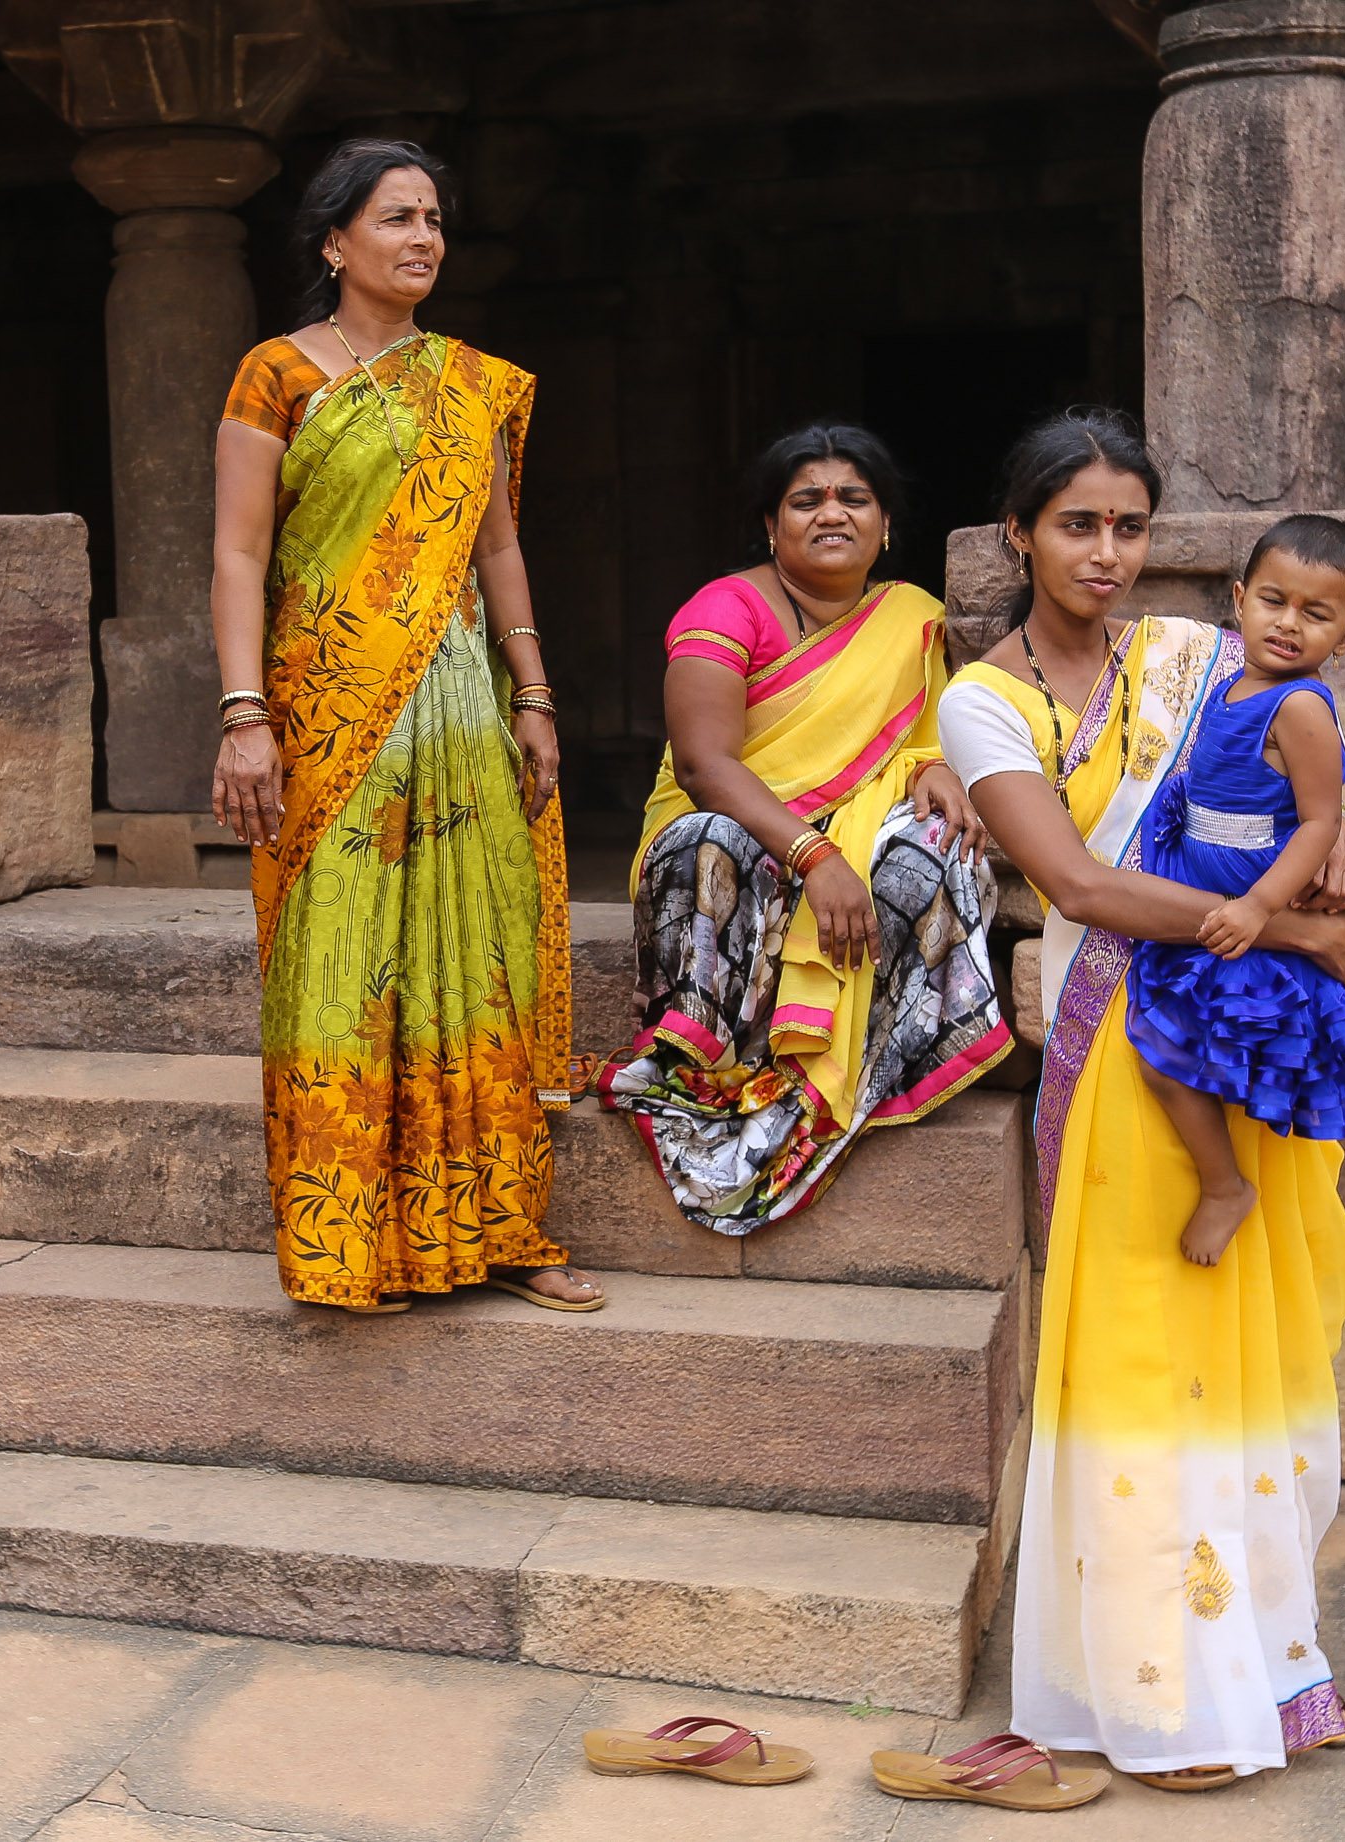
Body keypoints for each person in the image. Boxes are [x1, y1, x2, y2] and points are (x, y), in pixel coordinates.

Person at [936, 408, 1345, 1792]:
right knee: (1146, 1366)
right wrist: (1299, 927)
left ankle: (1270, 1672)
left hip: (1237, 1044)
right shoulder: (984, 702)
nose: (1107, 552)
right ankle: (1157, 1692)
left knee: (1251, 1360)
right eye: (1077, 523)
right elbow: (1077, 886)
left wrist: (1338, 872)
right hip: (1119, 1051)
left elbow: (1310, 778)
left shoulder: (1200, 655)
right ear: (1020, 533)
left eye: (1130, 526)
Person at [210, 137, 601, 1313]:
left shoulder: (467, 382)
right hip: (328, 712)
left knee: (473, 959)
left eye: (433, 218)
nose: (423, 237)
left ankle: (500, 1229)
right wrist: (244, 716)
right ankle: (348, 1241)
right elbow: (239, 551)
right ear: (335, 242)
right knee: (342, 962)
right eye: (395, 218)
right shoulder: (276, 374)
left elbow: (497, 549)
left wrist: (532, 694)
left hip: (460, 709)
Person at [600, 423, 1008, 1232]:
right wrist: (815, 852)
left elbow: (924, 734)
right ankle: (705, 1062)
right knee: (710, 842)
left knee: (936, 853)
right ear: (770, 524)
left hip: (857, 826)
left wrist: (932, 764)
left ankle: (865, 1058)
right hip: (734, 833)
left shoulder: (914, 617)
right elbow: (704, 766)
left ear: (885, 524)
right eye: (806, 499)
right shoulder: (727, 606)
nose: (833, 513)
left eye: (854, 498)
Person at [1127, 513, 1345, 1267]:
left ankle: (1227, 1187)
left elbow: (1318, 822)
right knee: (1169, 1050)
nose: (1288, 624)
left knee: (1179, 1053)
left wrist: (1258, 906)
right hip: (1202, 882)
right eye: (1274, 601)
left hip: (1253, 896)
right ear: (1239, 598)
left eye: (1317, 614)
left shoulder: (1300, 705)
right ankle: (1225, 1182)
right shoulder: (1230, 685)